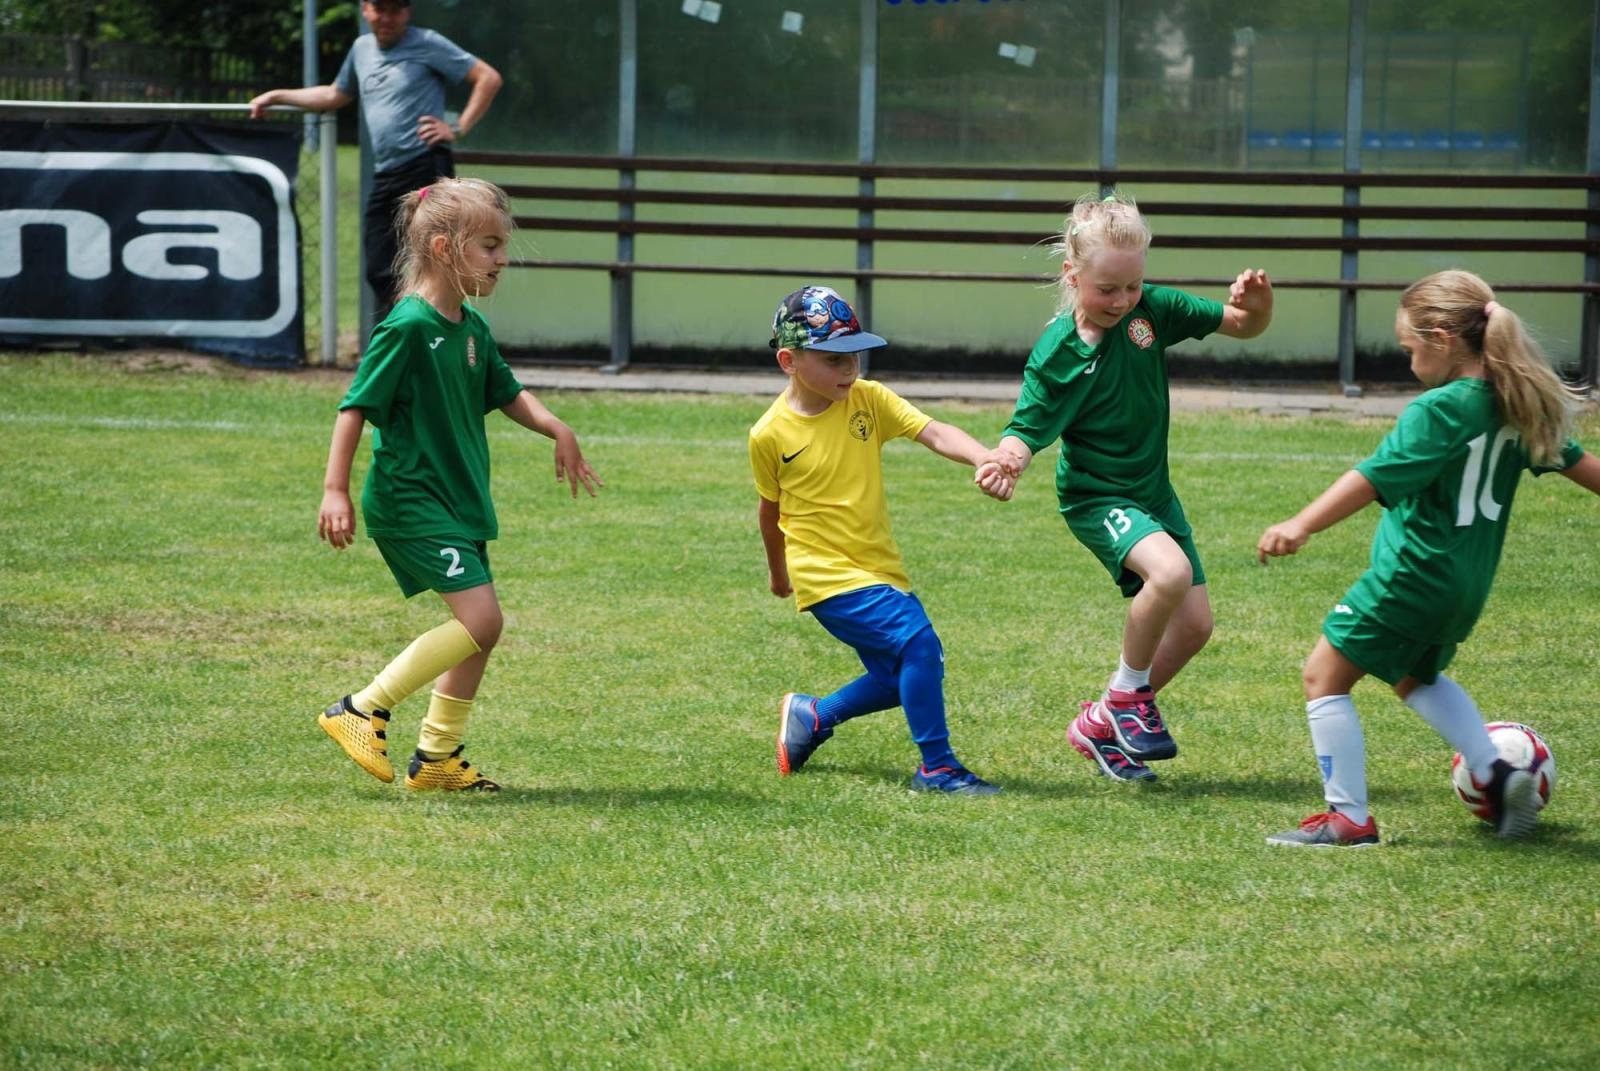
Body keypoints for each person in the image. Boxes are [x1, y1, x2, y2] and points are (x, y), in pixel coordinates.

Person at [1256, 270, 1599, 846]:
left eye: (1409, 348)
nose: (1407, 359)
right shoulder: (1517, 403)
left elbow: (1370, 479)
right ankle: (1496, 772)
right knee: (1415, 676)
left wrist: (1300, 524)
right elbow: (1587, 470)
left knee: (1323, 677)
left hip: (1411, 575)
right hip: (1465, 587)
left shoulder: (1439, 410)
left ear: (1441, 337)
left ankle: (1349, 818)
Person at [975, 192, 1273, 782]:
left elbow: (1242, 325)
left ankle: (1102, 720)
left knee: (1194, 626)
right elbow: (1024, 427)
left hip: (1152, 491)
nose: (1122, 301)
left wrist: (1259, 306)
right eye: (1106, 289)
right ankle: (1130, 699)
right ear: (1073, 274)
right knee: (1169, 574)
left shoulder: (1151, 313)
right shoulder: (1057, 352)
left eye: (1132, 287)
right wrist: (1006, 462)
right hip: (1096, 494)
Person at [317, 177, 600, 792]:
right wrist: (334, 490)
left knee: (478, 634)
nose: (502, 260)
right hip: (412, 500)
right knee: (482, 621)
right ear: (444, 247)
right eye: (490, 246)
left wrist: (556, 427)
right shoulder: (408, 326)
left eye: (502, 247)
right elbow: (354, 407)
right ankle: (361, 708)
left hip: (459, 500)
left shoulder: (468, 325)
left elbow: (506, 391)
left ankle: (437, 756)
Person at [753, 285, 1001, 795]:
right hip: (824, 575)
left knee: (900, 674)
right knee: (919, 644)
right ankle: (938, 767)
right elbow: (769, 510)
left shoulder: (869, 399)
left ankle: (814, 717)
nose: (849, 369)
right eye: (833, 359)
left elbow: (932, 431)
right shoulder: (769, 434)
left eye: (854, 355)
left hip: (878, 567)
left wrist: (982, 456)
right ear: (789, 361)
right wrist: (780, 575)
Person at [249, 0, 503, 321]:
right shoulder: (361, 49)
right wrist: (276, 96)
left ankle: (441, 334)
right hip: (387, 172)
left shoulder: (427, 42)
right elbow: (334, 95)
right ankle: (412, 331)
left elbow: (487, 77)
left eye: (395, 10)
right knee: (380, 267)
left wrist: (456, 127)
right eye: (379, 9)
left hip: (425, 165)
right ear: (364, 9)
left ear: (407, 12)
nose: (386, 18)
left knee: (436, 259)